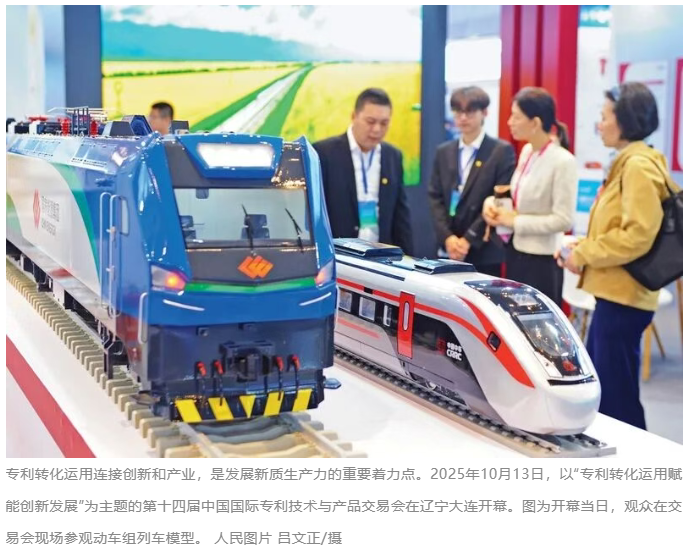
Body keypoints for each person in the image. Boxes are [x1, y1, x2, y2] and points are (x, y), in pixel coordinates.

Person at [556, 82, 680, 430]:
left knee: (617, 398)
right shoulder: (629, 163)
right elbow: (621, 227)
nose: (599, 124)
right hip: (615, 293)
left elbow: (638, 235)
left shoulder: (637, 166)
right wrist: (583, 247)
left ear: (625, 119)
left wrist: (585, 254)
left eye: (605, 116)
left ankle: (635, 460)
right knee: (610, 390)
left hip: (625, 296)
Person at [482, 87, 577, 305]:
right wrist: (491, 204)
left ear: (535, 123)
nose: (510, 122)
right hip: (516, 252)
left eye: (516, 117)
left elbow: (563, 220)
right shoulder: (528, 152)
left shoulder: (563, 161)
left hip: (542, 262)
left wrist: (514, 221)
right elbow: (519, 196)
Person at [428, 86, 516, 275]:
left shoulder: (501, 151)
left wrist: (468, 239)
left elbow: (498, 200)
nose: (463, 118)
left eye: (470, 112)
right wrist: (448, 238)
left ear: (484, 112)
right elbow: (435, 197)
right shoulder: (444, 151)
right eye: (458, 112)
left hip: (483, 248)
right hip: (448, 247)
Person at [313, 88, 413, 254]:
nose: (377, 129)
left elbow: (401, 215)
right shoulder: (324, 153)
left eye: (384, 123)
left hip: (380, 256)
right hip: (338, 256)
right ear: (354, 116)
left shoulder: (392, 156)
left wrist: (408, 258)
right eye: (370, 121)